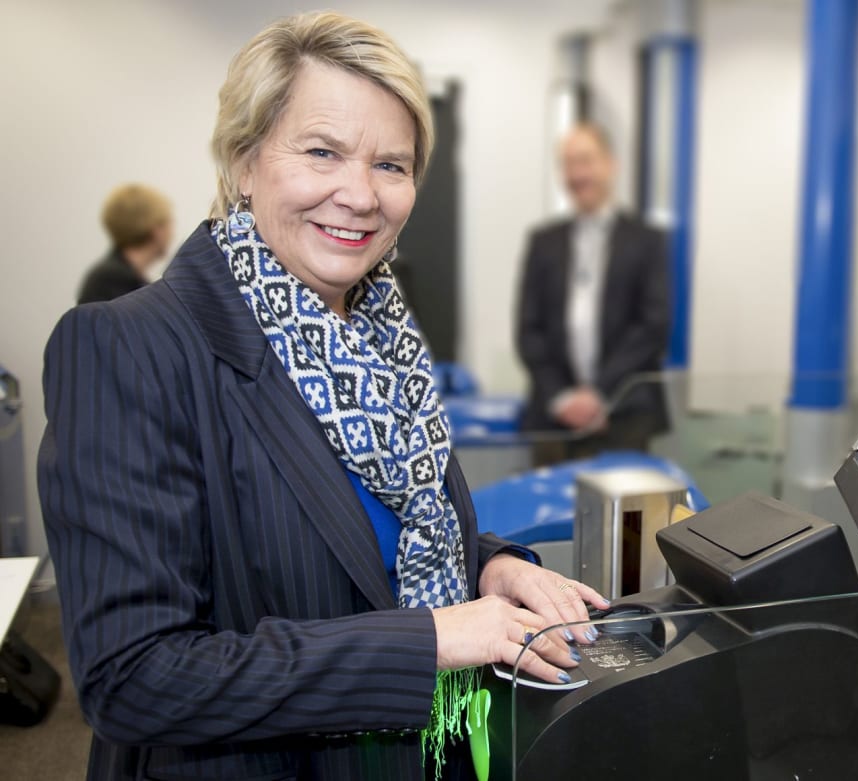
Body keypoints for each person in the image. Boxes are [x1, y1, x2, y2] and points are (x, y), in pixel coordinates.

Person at [38, 13, 607, 781]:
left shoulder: (382, 338)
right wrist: (431, 640)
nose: (360, 195)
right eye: (322, 152)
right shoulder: (130, 347)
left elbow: (366, 544)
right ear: (243, 162)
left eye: (391, 165)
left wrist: (488, 567)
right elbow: (135, 675)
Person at [516, 123, 671, 464]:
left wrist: (599, 394)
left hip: (626, 414)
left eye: (585, 161)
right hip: (554, 420)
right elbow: (529, 331)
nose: (577, 174)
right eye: (568, 164)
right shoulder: (543, 242)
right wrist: (562, 398)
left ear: (611, 164)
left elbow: (653, 326)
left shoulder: (647, 241)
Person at [76, 183, 173, 304]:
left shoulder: (111, 276)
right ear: (156, 229)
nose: (171, 233)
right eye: (168, 223)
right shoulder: (116, 280)